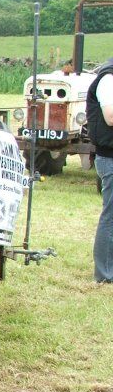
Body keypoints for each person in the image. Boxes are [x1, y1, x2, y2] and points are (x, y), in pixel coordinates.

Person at [88, 57, 113, 283]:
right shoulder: (108, 79)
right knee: (111, 216)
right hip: (110, 158)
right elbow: (111, 116)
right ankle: (105, 274)